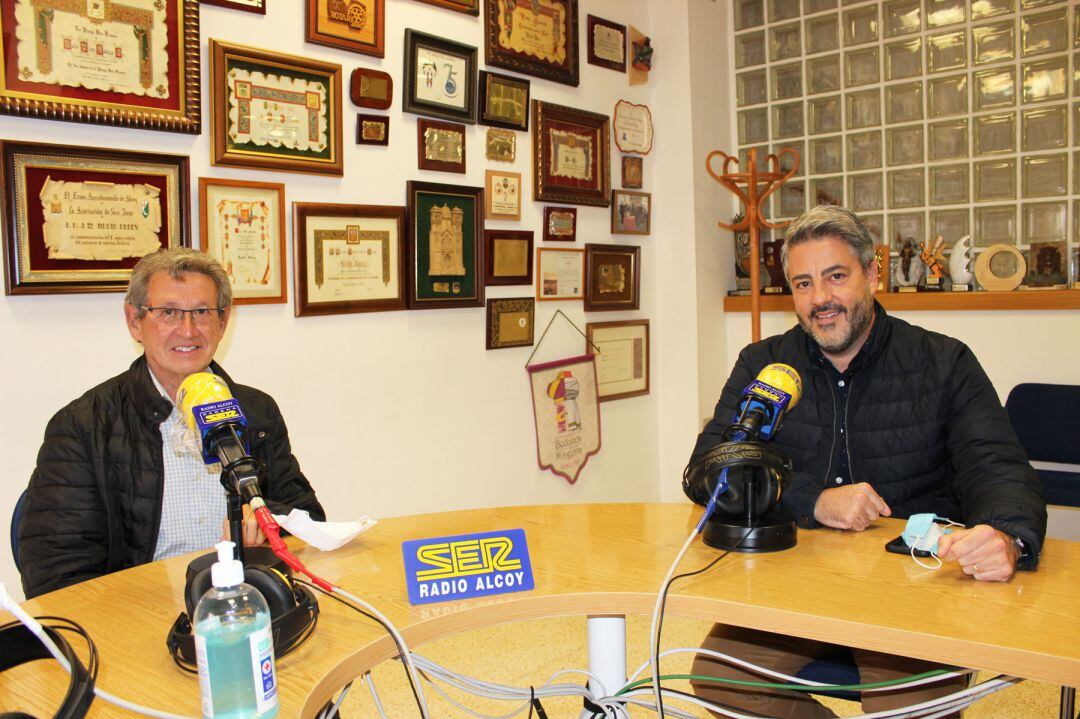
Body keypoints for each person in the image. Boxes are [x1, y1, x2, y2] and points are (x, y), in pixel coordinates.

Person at [687, 205, 1046, 718]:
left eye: (836, 277)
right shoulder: (764, 365)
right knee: (718, 679)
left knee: (909, 707)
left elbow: (999, 468)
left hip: (914, 593)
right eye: (804, 284)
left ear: (873, 274)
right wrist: (813, 500)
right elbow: (708, 468)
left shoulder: (944, 363)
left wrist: (1006, 536)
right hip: (793, 586)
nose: (821, 300)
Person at [19, 248, 325, 599]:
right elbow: (56, 574)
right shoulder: (84, 426)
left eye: (202, 312)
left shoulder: (255, 411)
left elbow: (309, 521)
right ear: (135, 321)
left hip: (244, 597)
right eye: (168, 313)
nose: (188, 330)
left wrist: (271, 518)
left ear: (223, 322)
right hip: (136, 612)